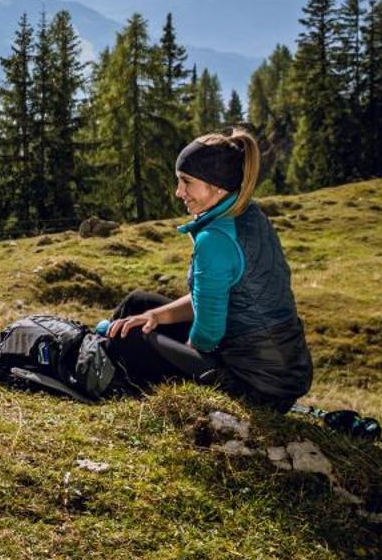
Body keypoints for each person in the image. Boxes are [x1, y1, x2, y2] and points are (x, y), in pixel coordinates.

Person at [97, 127, 313, 411]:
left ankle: (101, 369)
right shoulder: (246, 213)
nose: (179, 192)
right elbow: (210, 300)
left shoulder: (215, 240)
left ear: (217, 185)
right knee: (139, 305)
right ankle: (105, 353)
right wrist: (155, 317)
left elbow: (207, 336)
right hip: (279, 371)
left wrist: (179, 357)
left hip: (256, 386)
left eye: (186, 181)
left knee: (127, 337)